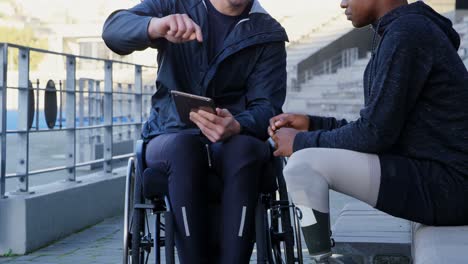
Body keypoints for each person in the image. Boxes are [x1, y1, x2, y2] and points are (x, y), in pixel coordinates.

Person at [269, 0, 468, 260]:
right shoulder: (402, 30)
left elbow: (373, 135)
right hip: (441, 178)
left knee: (303, 164)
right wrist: (313, 124)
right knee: (305, 159)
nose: (342, 3)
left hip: (451, 188)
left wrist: (301, 142)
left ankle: (323, 259)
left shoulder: (407, 34)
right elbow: (376, 128)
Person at [102, 0, 287, 263]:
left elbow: (267, 106)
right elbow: (113, 31)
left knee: (245, 149)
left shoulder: (268, 33)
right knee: (183, 148)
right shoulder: (174, 5)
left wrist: (238, 123)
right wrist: (154, 26)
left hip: (234, 138)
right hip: (170, 133)